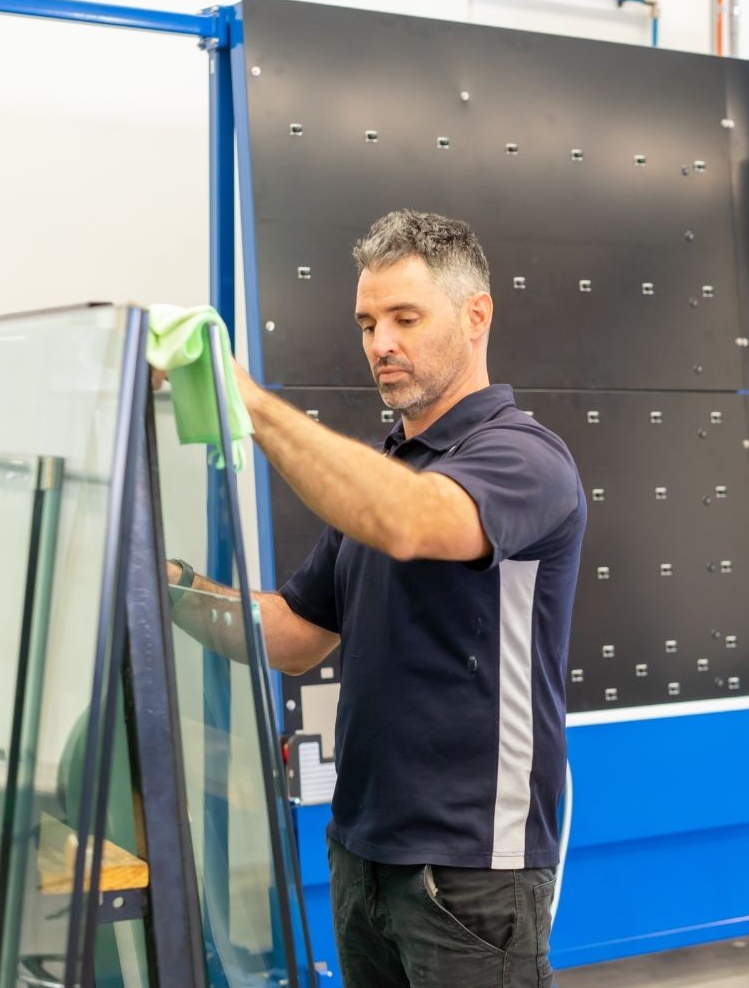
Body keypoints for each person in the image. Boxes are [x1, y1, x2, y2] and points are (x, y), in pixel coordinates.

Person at [166, 209, 586, 988]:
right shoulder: (385, 472)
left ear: (475, 316)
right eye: (366, 322)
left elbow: (406, 521)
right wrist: (172, 593)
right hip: (361, 854)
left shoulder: (526, 460)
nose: (380, 343)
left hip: (468, 872)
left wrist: (247, 403)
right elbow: (295, 634)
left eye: (404, 318)